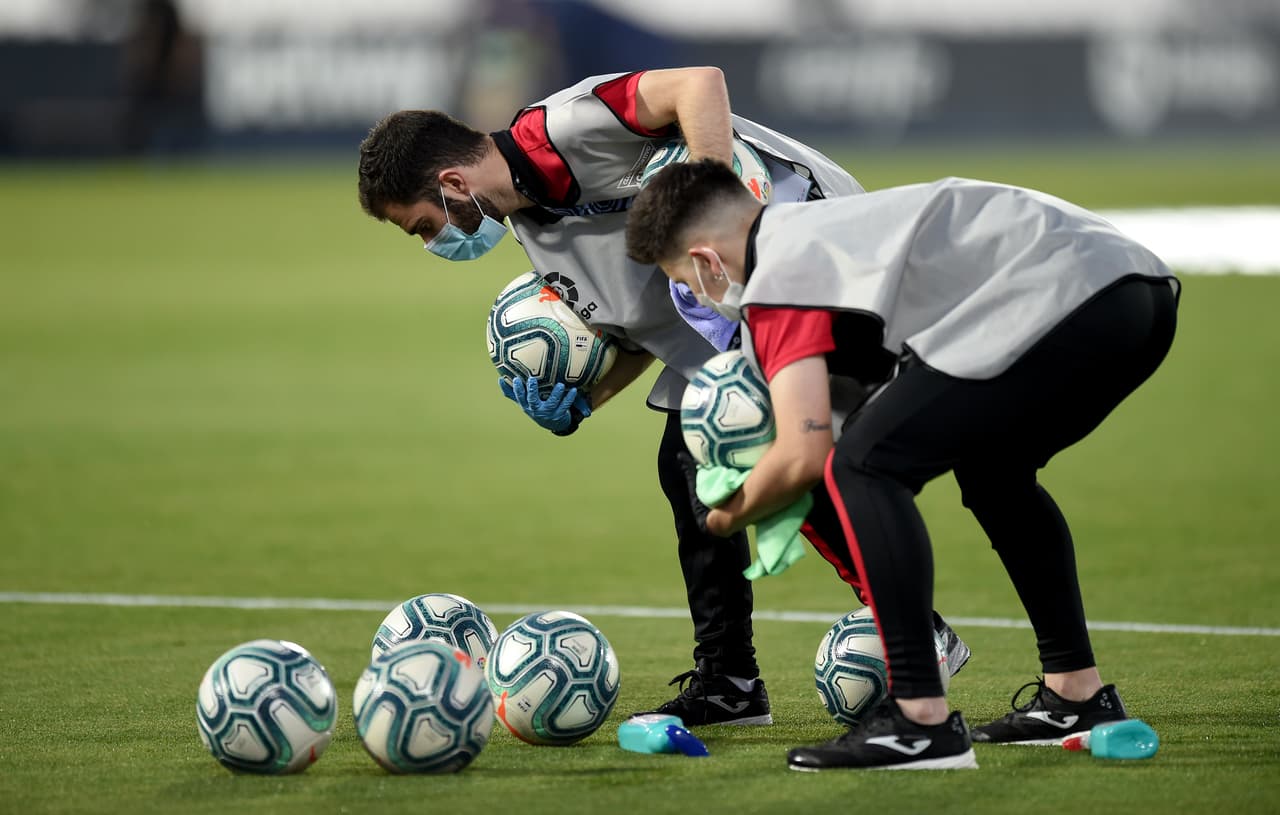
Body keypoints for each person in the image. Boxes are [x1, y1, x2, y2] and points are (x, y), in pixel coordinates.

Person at [355, 67, 967, 726]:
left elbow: (699, 85)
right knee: (686, 459)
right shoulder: (537, 234)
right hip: (734, 302)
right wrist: (588, 401)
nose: (432, 242)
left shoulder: (562, 127)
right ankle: (730, 679)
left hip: (803, 240)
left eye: (422, 226)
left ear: (451, 184)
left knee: (763, 445)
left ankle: (916, 633)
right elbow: (647, 328)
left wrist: (707, 201)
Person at [624, 159, 1178, 769]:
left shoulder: (777, 278)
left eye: (684, 282)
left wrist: (726, 516)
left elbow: (808, 456)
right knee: (993, 471)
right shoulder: (819, 234)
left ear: (705, 261)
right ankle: (1078, 694)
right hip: (1136, 292)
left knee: (866, 469)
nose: (696, 296)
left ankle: (920, 722)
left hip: (1065, 294)